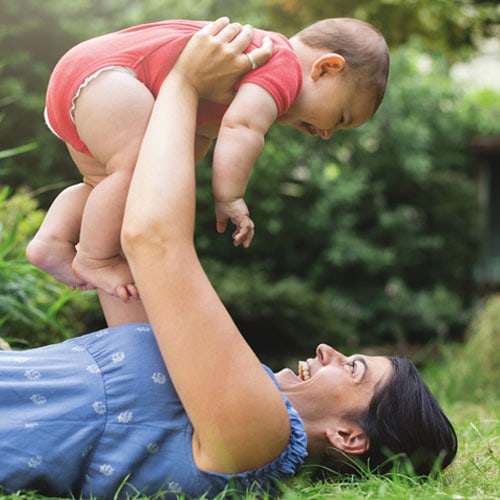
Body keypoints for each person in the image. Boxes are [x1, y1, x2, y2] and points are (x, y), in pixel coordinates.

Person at [1, 19, 456, 500]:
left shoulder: (260, 434)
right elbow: (126, 254)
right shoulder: (222, 387)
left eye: (354, 369)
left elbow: (152, 238)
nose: (329, 350)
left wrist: (185, 81)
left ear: (349, 437)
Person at [26, 16, 390, 302]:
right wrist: (229, 196)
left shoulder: (259, 65)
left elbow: (196, 132)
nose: (327, 133)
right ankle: (94, 258)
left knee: (107, 185)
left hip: (87, 78)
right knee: (137, 169)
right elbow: (242, 126)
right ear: (326, 68)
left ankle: (52, 242)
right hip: (111, 77)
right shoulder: (283, 65)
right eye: (341, 118)